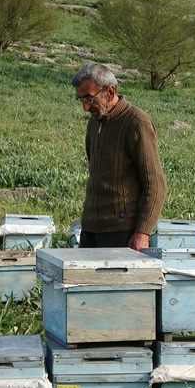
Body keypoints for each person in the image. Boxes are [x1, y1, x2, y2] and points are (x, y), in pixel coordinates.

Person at [71, 62, 167, 251]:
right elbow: (97, 172)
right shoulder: (93, 123)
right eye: (80, 99)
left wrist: (142, 232)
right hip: (90, 229)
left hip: (123, 232)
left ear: (110, 92)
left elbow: (156, 184)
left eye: (89, 98)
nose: (85, 107)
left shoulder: (137, 123)